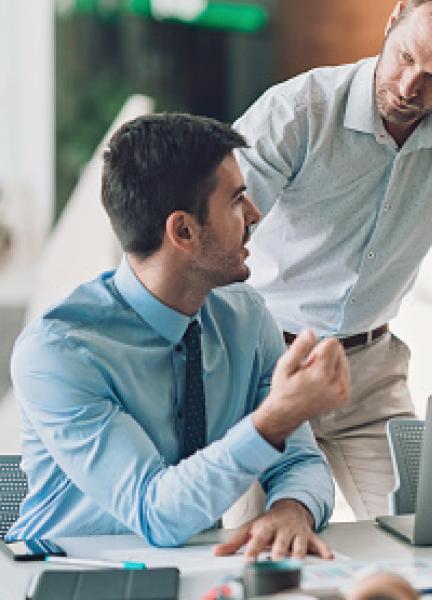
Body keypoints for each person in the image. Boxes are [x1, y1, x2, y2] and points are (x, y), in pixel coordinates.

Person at [233, 0, 432, 519]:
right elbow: (212, 236)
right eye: (405, 56)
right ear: (392, 20)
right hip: (262, 367)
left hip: (370, 377)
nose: (410, 86)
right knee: (255, 552)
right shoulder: (298, 111)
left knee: (426, 534)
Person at [6, 113, 347, 559]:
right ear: (182, 231)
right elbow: (155, 513)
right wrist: (272, 421)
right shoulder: (59, 352)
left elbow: (301, 461)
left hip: (193, 568)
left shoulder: (245, 317)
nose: (255, 215)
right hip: (65, 575)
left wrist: (291, 509)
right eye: (237, 200)